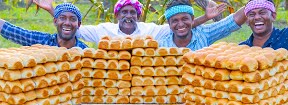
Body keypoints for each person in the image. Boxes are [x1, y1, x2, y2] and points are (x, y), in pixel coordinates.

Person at [0, 3, 90, 105]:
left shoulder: (85, 53)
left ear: (79, 24)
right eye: (62, 18)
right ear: (55, 21)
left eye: (73, 19)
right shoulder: (43, 41)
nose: (67, 23)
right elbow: (13, 31)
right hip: (43, 103)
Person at [30, 0, 227, 44]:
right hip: (112, 95)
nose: (129, 15)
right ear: (117, 15)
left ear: (138, 15)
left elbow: (180, 25)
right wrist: (52, 10)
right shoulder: (103, 30)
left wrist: (205, 18)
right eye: (124, 12)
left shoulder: (151, 30)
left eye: (133, 12)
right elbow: (70, 26)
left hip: (144, 97)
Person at [240, 0, 288, 105]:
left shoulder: (285, 37)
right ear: (247, 20)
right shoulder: (242, 49)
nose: (257, 18)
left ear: (273, 15)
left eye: (262, 12)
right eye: (252, 14)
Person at [159, 0, 247, 50]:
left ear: (192, 19)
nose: (181, 24)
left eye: (185, 19)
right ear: (169, 24)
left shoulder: (203, 34)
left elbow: (231, 22)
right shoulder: (162, 45)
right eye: (175, 21)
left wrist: (252, 3)